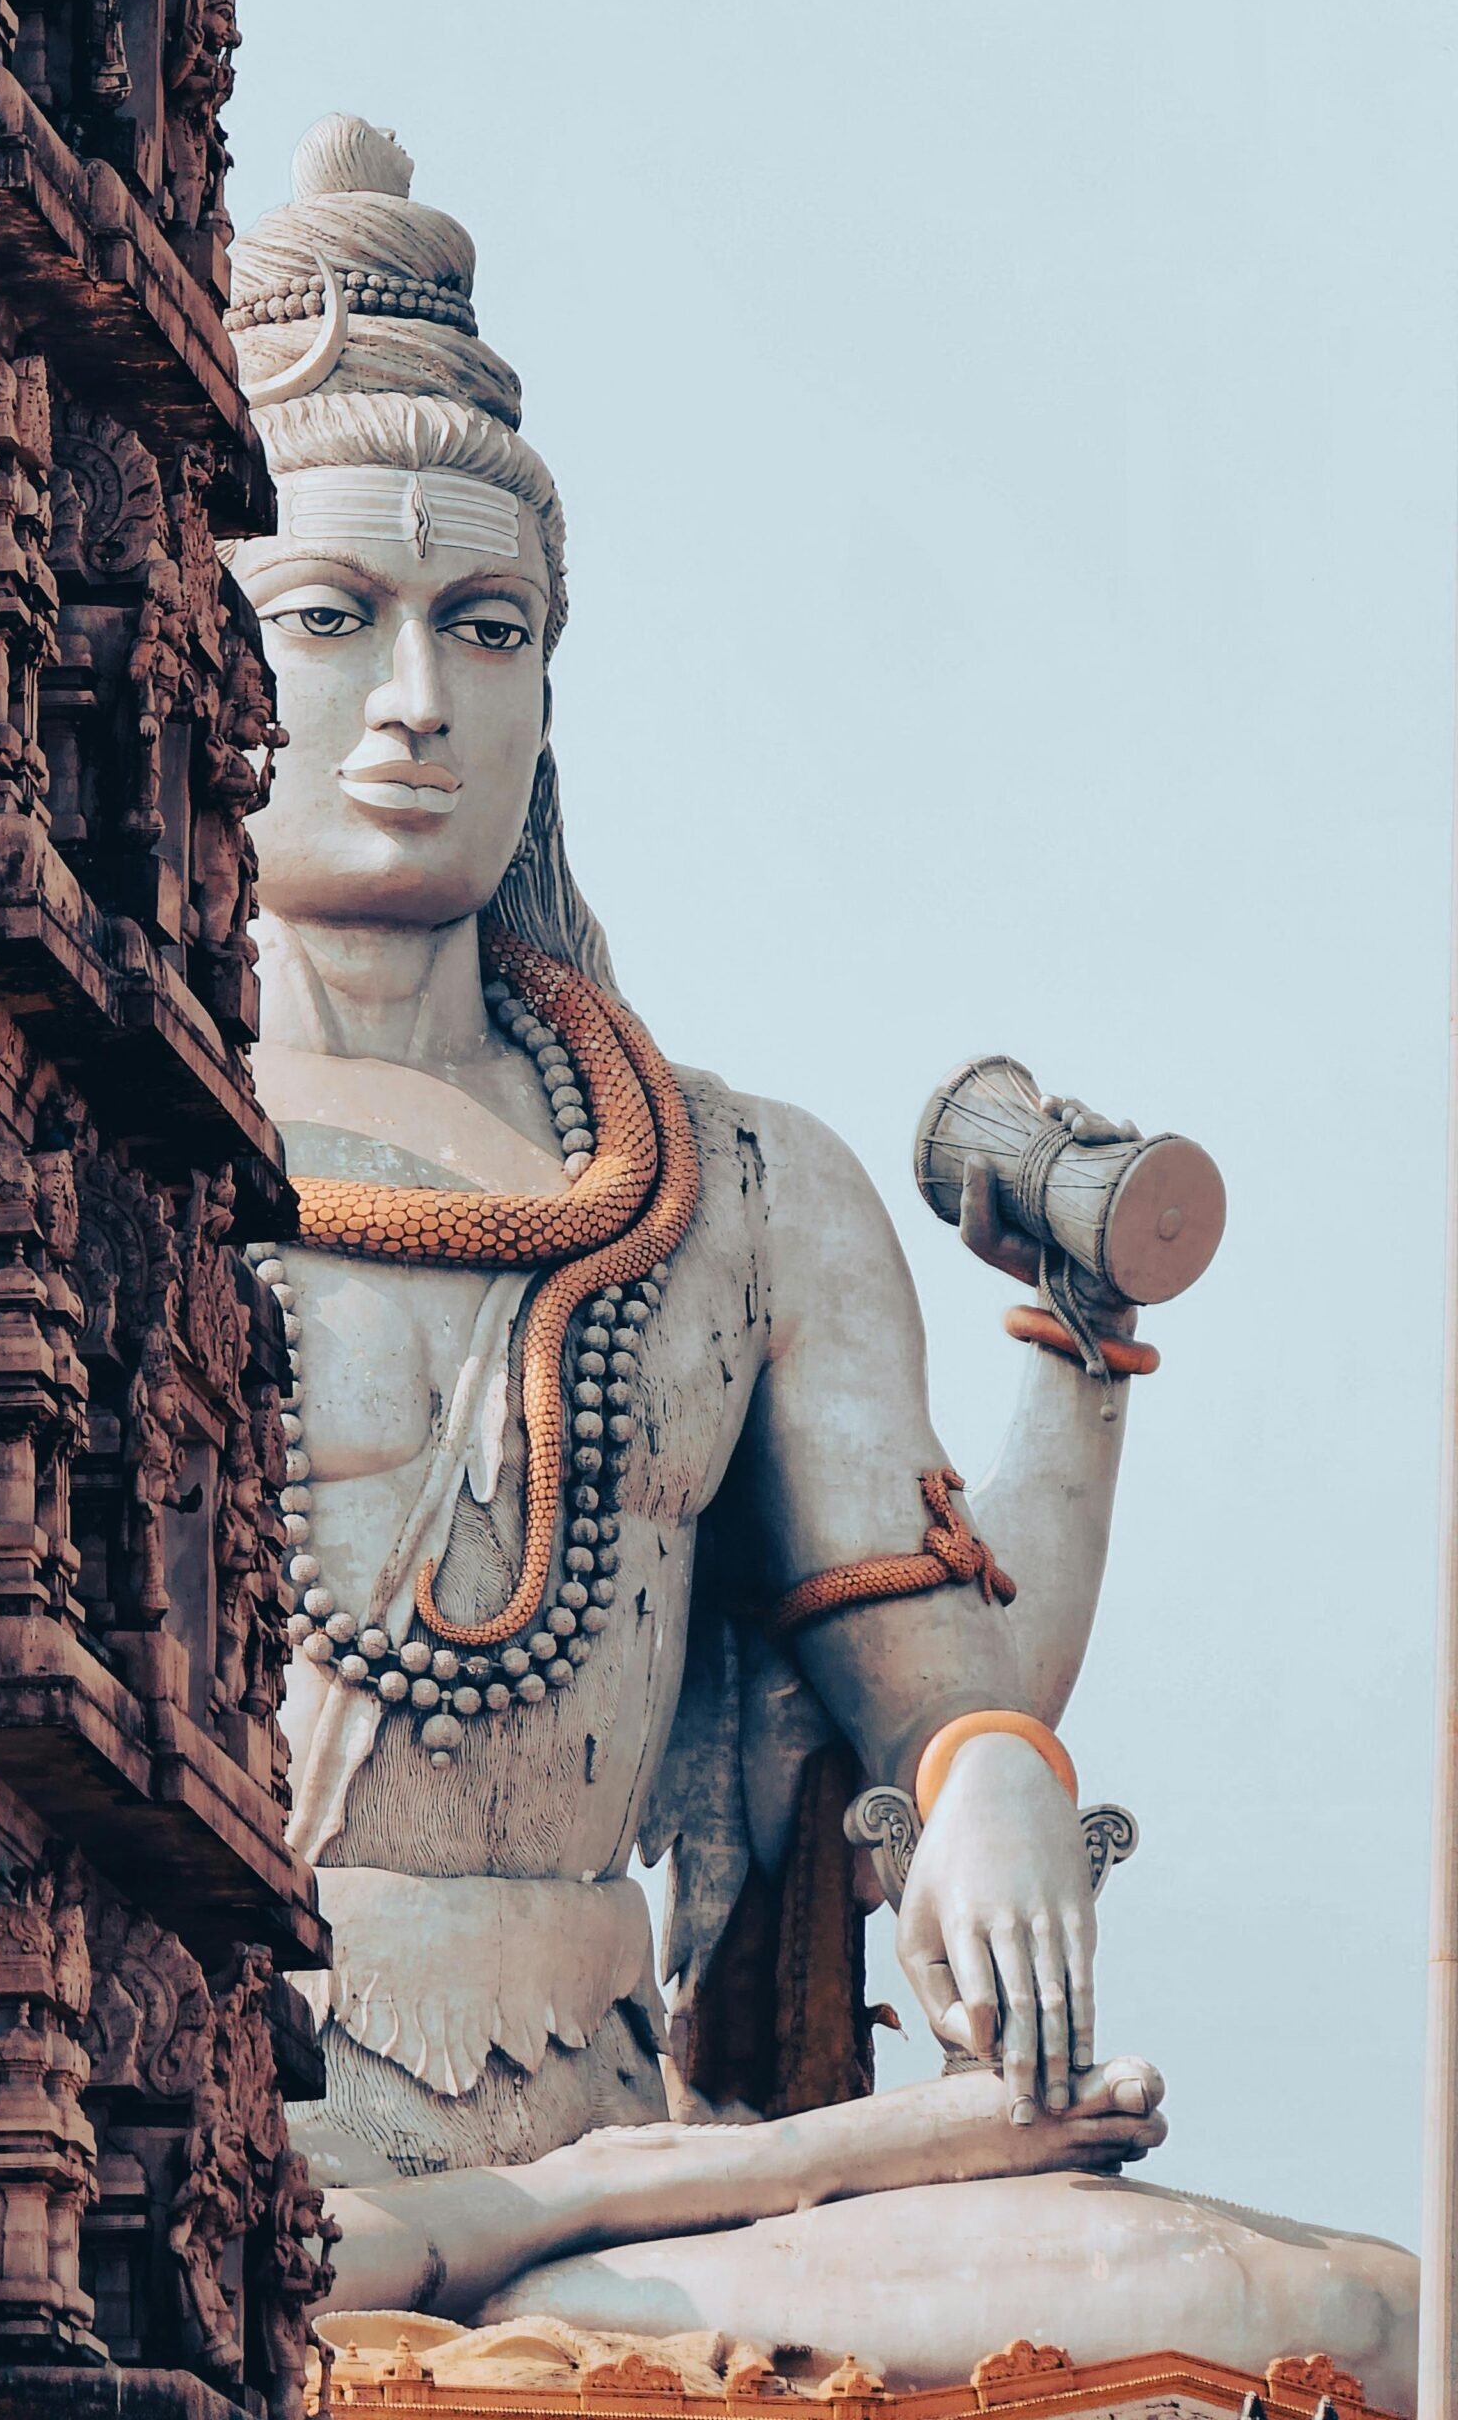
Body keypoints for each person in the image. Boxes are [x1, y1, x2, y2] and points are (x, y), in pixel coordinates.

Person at [218, 115, 1415, 2402]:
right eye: (330, 617)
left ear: (553, 676)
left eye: (486, 628)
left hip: (618, 2153)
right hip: (214, 2142)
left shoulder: (736, 1186)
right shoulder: (99, 1135)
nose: (414, 707)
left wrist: (987, 1784)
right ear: (193, 647)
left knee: (1329, 2309)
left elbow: (925, 1673)